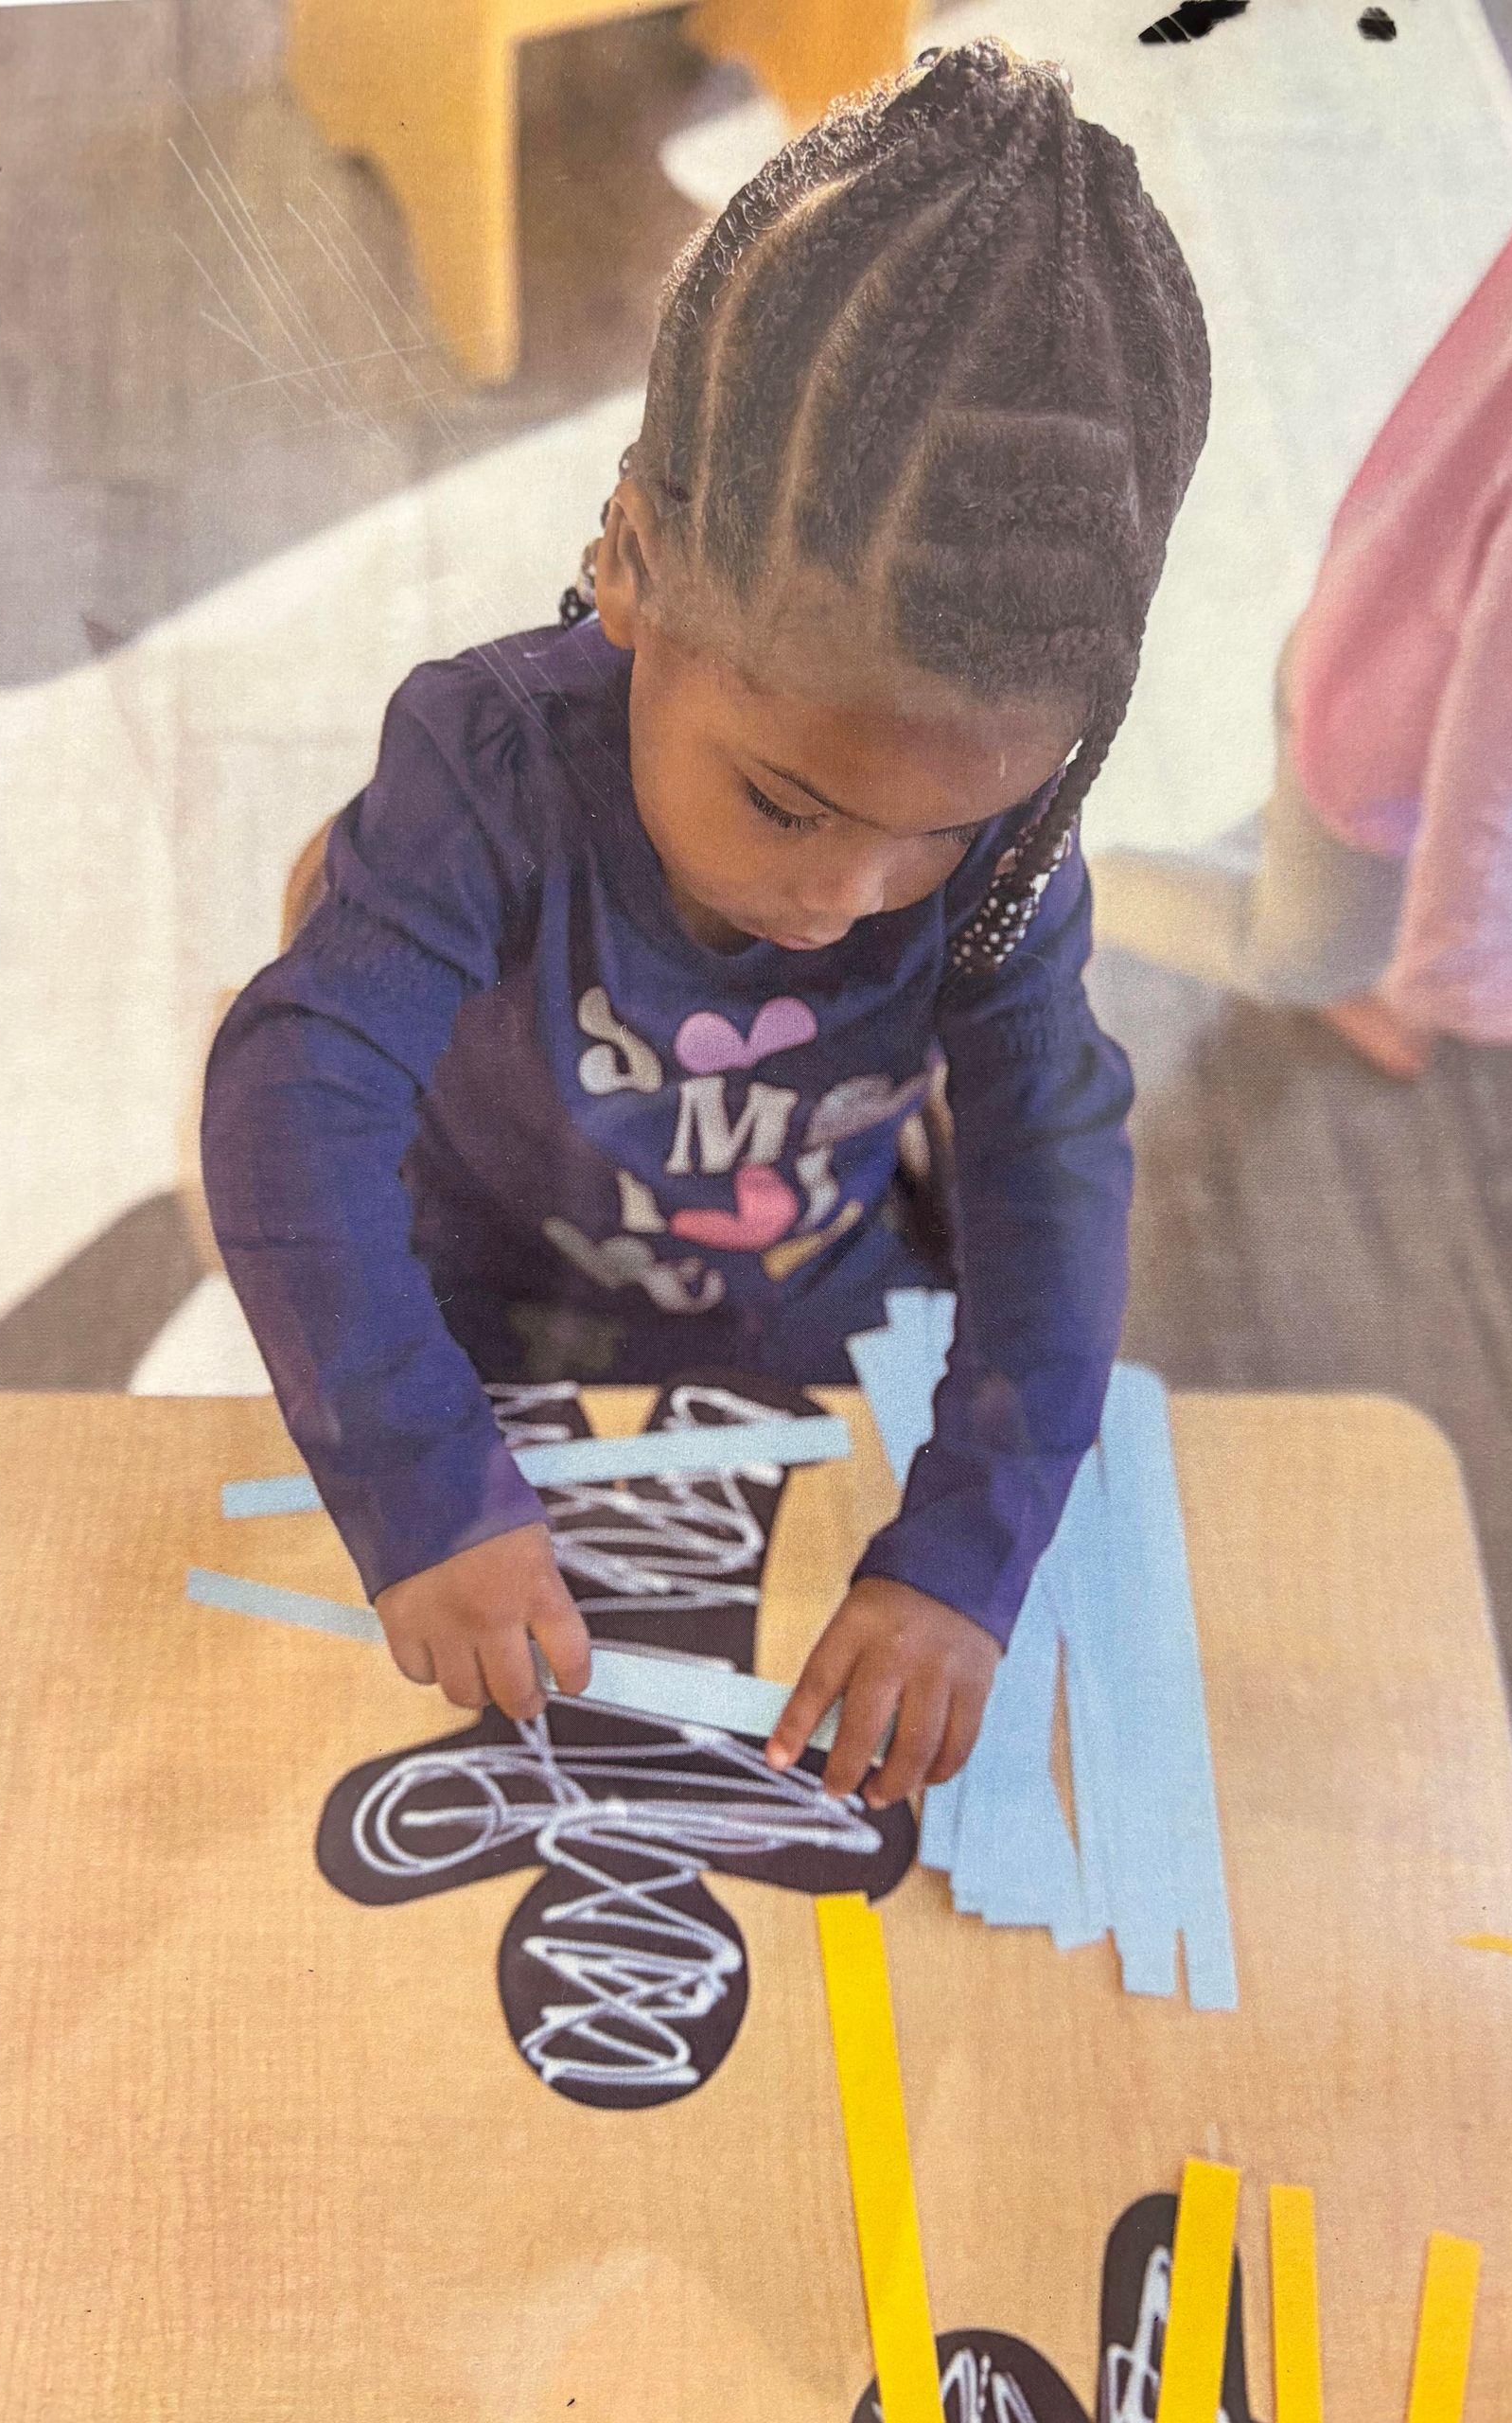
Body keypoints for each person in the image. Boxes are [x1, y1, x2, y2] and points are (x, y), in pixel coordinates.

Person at [201, 43, 1209, 1806]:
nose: (845, 898)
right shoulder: (489, 767)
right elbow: (290, 1102)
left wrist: (961, 1559)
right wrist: (419, 1482)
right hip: (484, 1298)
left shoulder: (1010, 857)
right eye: (786, 802)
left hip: (807, 1311)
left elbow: (1053, 1177)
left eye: (940, 831)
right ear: (633, 561)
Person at [1089, 56, 1512, 1080]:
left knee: (1316, 853)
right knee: (1296, 950)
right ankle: (1066, 894)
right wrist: (1471, 944)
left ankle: (1341, 923)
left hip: (1388, 602)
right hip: (1400, 744)